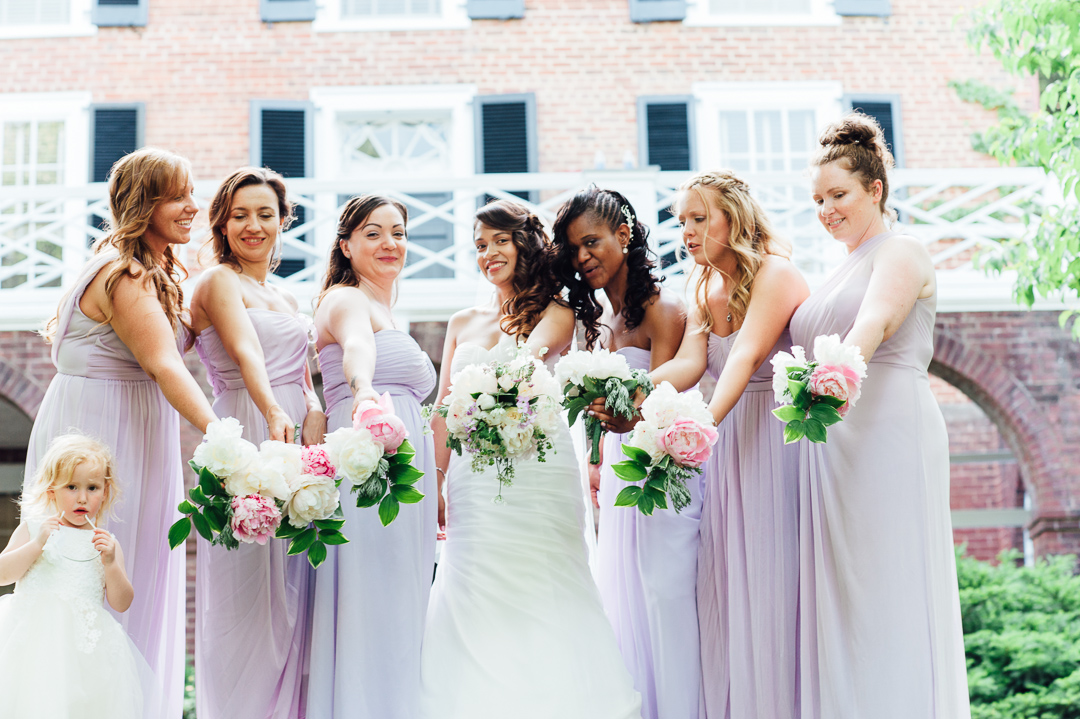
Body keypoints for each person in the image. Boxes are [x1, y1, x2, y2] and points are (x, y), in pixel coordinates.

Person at [419, 199, 642, 719]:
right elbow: (442, 409)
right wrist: (438, 481)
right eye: (479, 245)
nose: (489, 253)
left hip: (537, 469)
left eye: (500, 240)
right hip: (475, 474)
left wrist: (486, 388)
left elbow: (527, 360)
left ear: (525, 243)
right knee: (475, 585)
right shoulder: (460, 322)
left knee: (545, 582)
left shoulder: (559, 311)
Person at [24, 147, 218, 716]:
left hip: (138, 425)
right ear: (143, 204)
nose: (191, 207)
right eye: (177, 196)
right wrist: (224, 436)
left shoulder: (155, 273)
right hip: (102, 431)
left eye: (191, 194)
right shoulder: (124, 276)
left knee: (133, 566)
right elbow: (164, 365)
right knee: (89, 572)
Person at [793, 114, 970, 718]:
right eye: (817, 199)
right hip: (832, 442)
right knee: (844, 596)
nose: (826, 210)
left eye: (838, 195)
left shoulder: (902, 250)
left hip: (888, 429)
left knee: (889, 585)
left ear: (875, 188)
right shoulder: (835, 269)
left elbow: (873, 323)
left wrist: (834, 375)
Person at [641, 170, 809, 718]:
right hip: (727, 439)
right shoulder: (703, 286)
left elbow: (746, 356)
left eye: (699, 218)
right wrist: (626, 387)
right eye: (681, 221)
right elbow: (693, 363)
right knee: (727, 582)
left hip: (773, 433)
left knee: (773, 579)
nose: (686, 232)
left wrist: (700, 427)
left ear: (733, 217)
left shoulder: (776, 273)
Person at [549, 187, 694, 719]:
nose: (582, 257)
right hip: (618, 473)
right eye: (573, 249)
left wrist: (630, 413)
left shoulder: (664, 309)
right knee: (624, 597)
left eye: (592, 242)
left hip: (664, 472)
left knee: (666, 595)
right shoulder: (600, 323)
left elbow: (675, 398)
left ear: (624, 236)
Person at [189, 167, 327, 719]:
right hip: (246, 434)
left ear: (282, 221)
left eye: (265, 214)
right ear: (222, 221)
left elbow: (303, 375)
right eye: (240, 214)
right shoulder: (218, 280)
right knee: (247, 597)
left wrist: (312, 409)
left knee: (297, 591)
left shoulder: (287, 297)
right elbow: (247, 352)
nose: (253, 225)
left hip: (296, 443)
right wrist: (273, 412)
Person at [307, 195, 437, 719]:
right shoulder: (346, 300)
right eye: (374, 233)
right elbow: (358, 347)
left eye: (399, 233)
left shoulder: (388, 309)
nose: (390, 243)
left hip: (408, 476)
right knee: (372, 596)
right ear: (346, 245)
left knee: (404, 599)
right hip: (369, 465)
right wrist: (362, 391)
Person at [0, 434, 156, 718]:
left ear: (105, 492)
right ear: (52, 491)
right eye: (71, 487)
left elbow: (121, 602)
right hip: (33, 646)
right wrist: (37, 545)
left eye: (92, 487)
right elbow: (3, 574)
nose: (82, 497)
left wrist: (110, 563)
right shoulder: (35, 528)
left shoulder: (106, 543)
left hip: (86, 653)